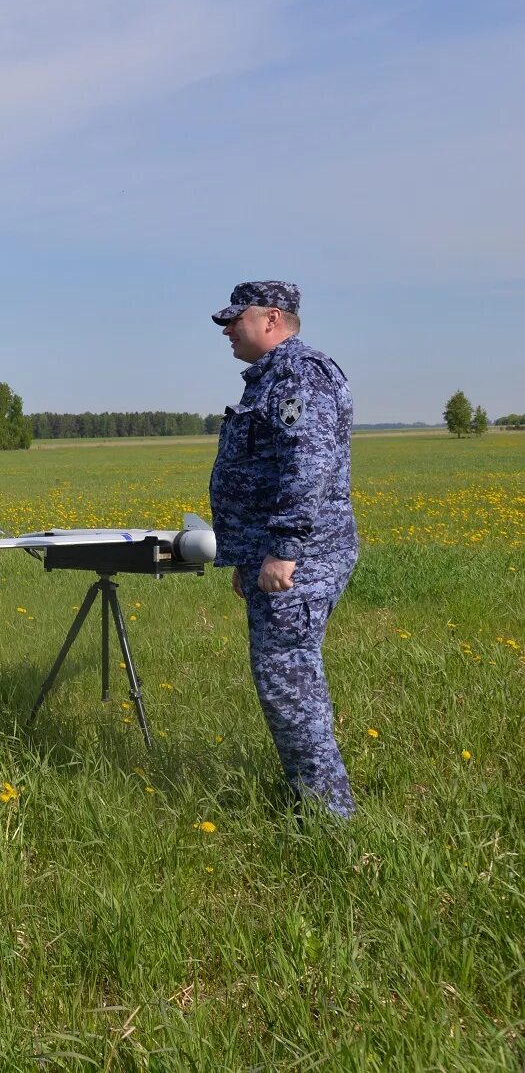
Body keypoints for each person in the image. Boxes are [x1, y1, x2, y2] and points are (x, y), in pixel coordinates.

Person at [209, 281, 359, 818]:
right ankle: (311, 797)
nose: (226, 330)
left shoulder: (301, 375)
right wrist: (249, 556)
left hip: (304, 556)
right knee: (282, 677)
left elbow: (308, 468)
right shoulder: (268, 381)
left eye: (235, 319)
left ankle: (328, 817)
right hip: (275, 555)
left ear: (272, 318)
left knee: (288, 677)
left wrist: (284, 550)